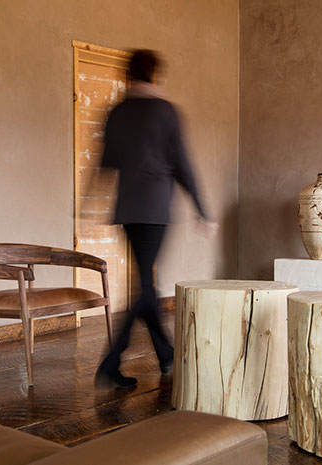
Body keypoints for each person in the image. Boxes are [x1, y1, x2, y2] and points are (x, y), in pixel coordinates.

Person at [93, 49, 216, 389]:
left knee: (146, 283)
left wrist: (89, 201)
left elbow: (106, 162)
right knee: (145, 287)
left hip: (127, 210)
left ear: (127, 74)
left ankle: (165, 354)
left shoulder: (117, 111)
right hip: (155, 209)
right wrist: (202, 210)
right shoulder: (165, 111)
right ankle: (112, 361)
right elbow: (182, 165)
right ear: (154, 74)